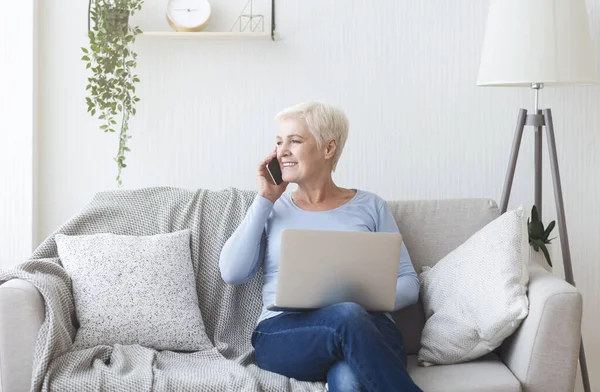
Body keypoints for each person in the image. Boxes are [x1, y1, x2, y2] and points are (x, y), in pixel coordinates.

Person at [219, 101, 423, 392]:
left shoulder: (371, 206)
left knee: (348, 376)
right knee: (346, 318)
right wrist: (265, 198)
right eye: (279, 142)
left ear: (328, 148)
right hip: (286, 334)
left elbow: (410, 284)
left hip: (370, 330)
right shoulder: (272, 209)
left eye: (295, 141)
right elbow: (232, 272)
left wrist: (357, 301)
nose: (282, 151)